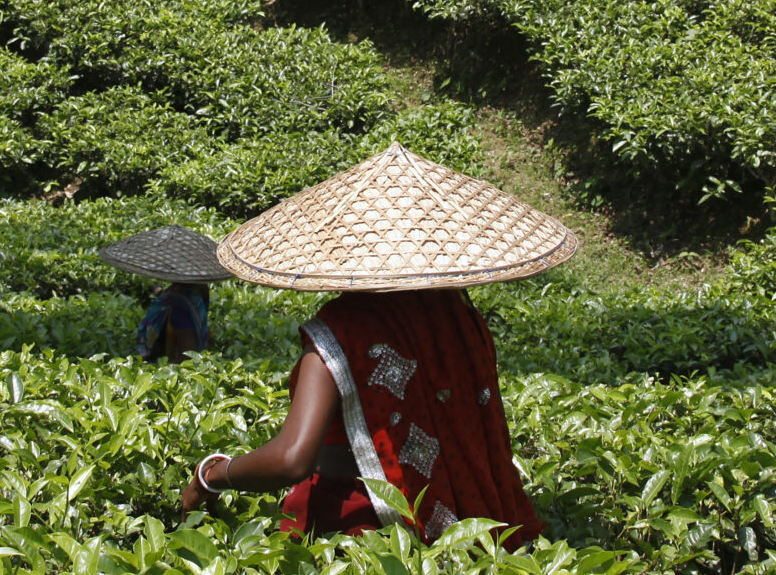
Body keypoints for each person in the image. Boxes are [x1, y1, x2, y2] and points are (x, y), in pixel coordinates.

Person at [174, 143, 576, 549]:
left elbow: (291, 459)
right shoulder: (460, 317)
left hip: (361, 538)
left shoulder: (338, 331)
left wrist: (213, 476)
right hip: (472, 528)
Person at [96, 226, 230, 363]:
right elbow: (173, 296)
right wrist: (153, 287)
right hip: (199, 349)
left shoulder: (178, 307)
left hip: (173, 366)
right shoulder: (199, 287)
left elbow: (187, 353)